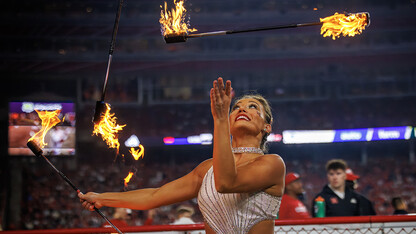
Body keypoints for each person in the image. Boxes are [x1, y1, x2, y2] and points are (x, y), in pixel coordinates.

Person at [79, 77, 286, 233]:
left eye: (253, 107)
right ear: (230, 122)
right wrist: (101, 198)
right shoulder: (206, 169)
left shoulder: (272, 164)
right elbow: (154, 196)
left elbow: (225, 183)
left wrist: (220, 119)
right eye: (236, 107)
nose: (242, 109)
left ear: (267, 126)